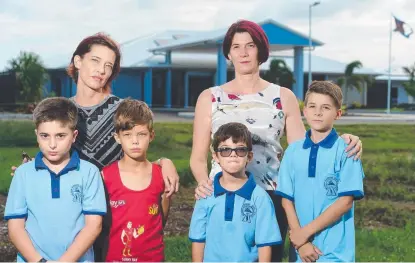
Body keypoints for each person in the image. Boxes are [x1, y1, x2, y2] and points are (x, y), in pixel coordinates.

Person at [190, 19, 363, 262]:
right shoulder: (210, 97)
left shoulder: (283, 96)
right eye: (236, 46)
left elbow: (302, 148)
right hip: (223, 195)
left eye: (250, 45)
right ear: (228, 53)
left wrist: (343, 139)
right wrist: (203, 184)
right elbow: (198, 156)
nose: (243, 53)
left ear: (261, 50)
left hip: (270, 196)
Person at [10, 33, 180, 261]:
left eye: (108, 65)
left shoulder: (121, 109)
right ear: (78, 61)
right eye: (95, 61)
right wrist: (30, 169)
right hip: (73, 221)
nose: (101, 70)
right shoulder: (61, 110)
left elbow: (137, 149)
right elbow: (54, 152)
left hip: (116, 217)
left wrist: (165, 163)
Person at [5, 97, 107, 262]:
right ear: (36, 135)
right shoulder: (23, 174)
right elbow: (15, 228)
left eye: (60, 136)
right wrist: (39, 261)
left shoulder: (90, 172)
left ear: (74, 136)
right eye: (45, 136)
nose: (52, 144)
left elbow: (93, 226)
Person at [277, 81, 365, 262]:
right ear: (305, 111)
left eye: (325, 107)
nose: (318, 112)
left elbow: (345, 203)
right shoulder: (293, 151)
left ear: (338, 114)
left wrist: (304, 233)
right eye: (312, 106)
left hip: (335, 252)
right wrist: (300, 241)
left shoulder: (347, 151)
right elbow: (287, 200)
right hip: (300, 252)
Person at [189, 122, 281, 262]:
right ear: (215, 157)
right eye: (225, 150)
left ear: (249, 157)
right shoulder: (205, 194)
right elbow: (198, 240)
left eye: (240, 150)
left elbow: (265, 245)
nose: (233, 155)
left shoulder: (260, 198)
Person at [103, 99, 171, 262]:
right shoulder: (105, 176)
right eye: (127, 135)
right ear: (117, 137)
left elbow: (161, 222)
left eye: (141, 134)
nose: (135, 141)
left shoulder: (162, 176)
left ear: (151, 136)